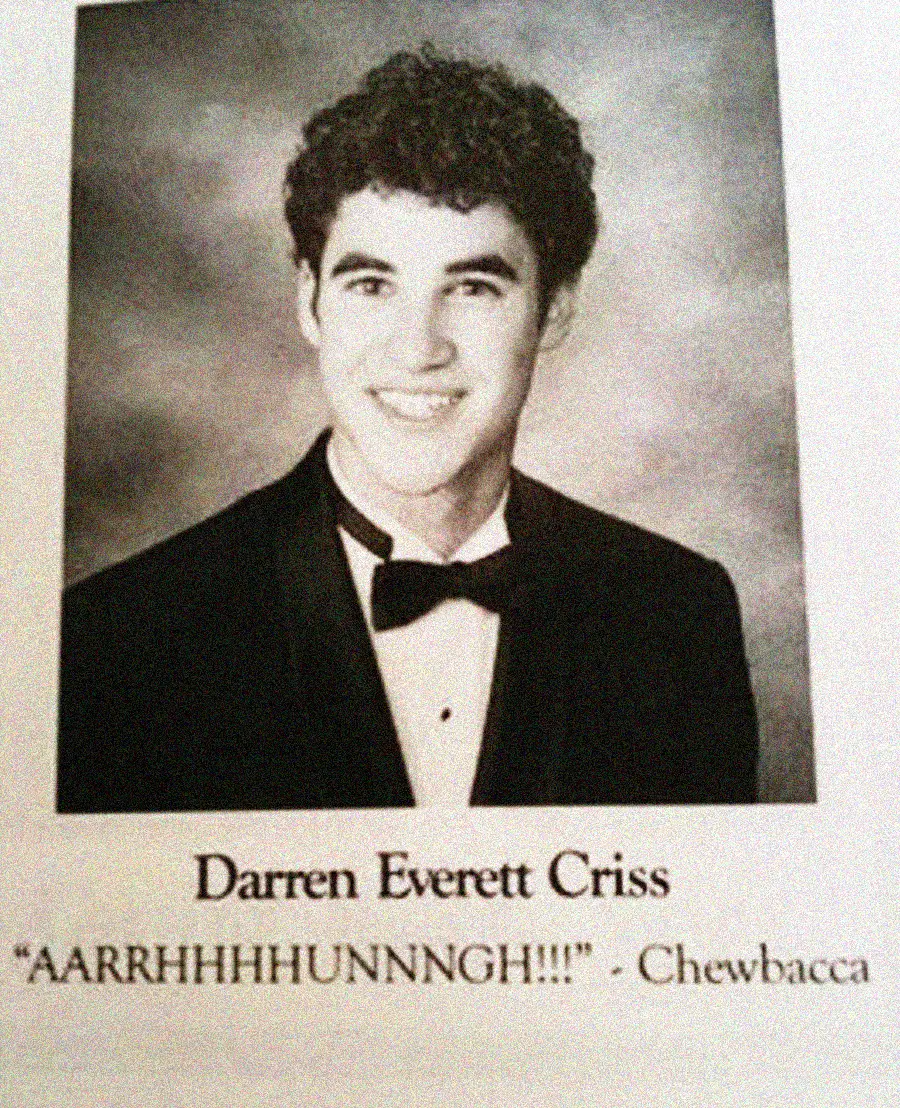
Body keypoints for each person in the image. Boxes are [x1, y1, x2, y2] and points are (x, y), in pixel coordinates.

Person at [57, 48, 758, 813]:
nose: (418, 347)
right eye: (371, 284)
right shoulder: (117, 641)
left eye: (472, 286)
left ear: (553, 307)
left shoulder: (676, 616)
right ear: (309, 301)